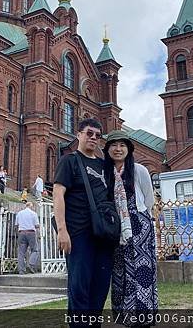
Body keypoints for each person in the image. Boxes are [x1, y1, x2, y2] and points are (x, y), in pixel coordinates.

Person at [53, 118, 114, 327]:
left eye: (97, 135)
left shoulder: (104, 165)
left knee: (100, 287)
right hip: (78, 234)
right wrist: (62, 230)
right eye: (89, 133)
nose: (94, 138)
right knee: (79, 289)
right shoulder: (69, 161)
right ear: (78, 134)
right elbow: (58, 195)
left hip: (103, 236)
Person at [104, 130, 158, 326]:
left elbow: (149, 198)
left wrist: (138, 219)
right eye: (114, 145)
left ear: (129, 149)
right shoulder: (105, 173)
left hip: (140, 225)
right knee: (119, 270)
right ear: (107, 149)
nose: (118, 149)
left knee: (141, 269)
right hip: (116, 228)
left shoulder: (139, 170)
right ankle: (123, 317)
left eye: (122, 145)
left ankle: (143, 317)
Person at [15, 201, 39, 274]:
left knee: (21, 253)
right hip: (31, 233)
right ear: (31, 206)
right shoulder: (34, 214)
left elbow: (16, 225)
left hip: (21, 233)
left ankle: (21, 270)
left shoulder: (19, 213)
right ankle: (31, 264)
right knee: (35, 250)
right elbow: (37, 225)